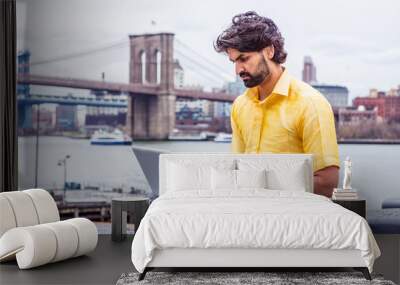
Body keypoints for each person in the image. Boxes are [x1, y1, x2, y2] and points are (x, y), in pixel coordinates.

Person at [214, 11, 339, 197]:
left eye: (244, 58)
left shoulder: (310, 103)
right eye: (234, 61)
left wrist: (263, 191)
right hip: (246, 212)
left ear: (269, 51)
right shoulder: (240, 106)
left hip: (295, 216)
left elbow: (327, 182)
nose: (238, 70)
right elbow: (237, 170)